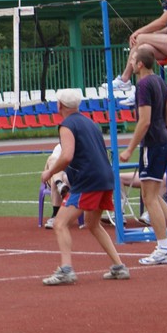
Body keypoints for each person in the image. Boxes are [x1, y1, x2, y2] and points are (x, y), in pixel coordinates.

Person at [40, 89, 129, 285]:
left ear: (60, 105)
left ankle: (66, 270)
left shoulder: (66, 125)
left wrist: (49, 172)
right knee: (92, 223)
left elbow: (67, 155)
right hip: (104, 176)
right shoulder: (90, 122)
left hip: (88, 180)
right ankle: (118, 266)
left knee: (60, 223)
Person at [119, 45, 167, 265]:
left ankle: (163, 247)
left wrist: (130, 148)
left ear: (140, 64)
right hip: (163, 141)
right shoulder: (160, 81)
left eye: (133, 60)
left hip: (152, 143)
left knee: (148, 197)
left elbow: (145, 120)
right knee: (155, 195)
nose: (131, 63)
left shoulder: (142, 85)